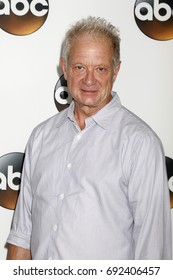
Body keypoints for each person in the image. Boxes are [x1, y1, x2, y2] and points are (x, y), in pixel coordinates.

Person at [7, 16, 172, 260]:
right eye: (80, 67)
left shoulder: (140, 144)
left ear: (116, 70)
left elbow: (153, 251)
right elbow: (22, 236)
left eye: (101, 69)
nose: (89, 80)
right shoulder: (41, 137)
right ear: (64, 67)